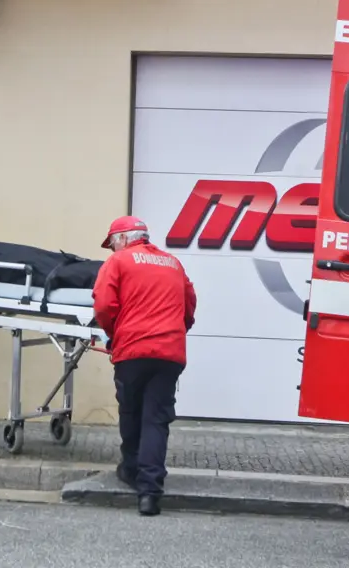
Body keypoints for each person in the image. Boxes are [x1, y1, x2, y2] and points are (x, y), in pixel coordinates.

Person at [93, 216, 198, 518]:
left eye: (112, 243)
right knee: (156, 419)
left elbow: (102, 306)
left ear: (124, 239)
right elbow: (189, 306)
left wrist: (116, 333)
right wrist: (175, 333)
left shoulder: (119, 262)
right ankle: (150, 494)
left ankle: (131, 469)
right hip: (169, 353)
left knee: (131, 411)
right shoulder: (174, 264)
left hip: (133, 350)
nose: (112, 249)